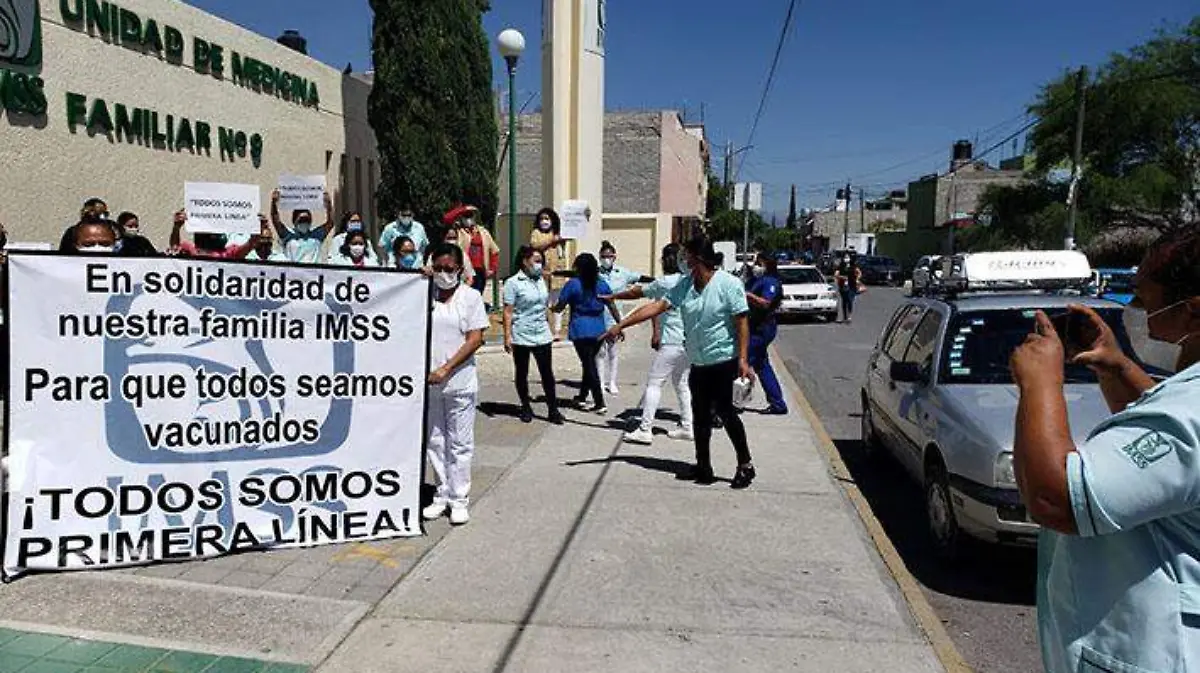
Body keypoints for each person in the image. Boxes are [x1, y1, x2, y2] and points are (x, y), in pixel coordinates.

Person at [1010, 227, 1200, 673]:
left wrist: (1039, 383)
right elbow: (1170, 457)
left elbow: (1056, 499)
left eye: (1146, 301)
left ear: (1192, 311)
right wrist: (1118, 368)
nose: (1137, 312)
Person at [603, 236, 757, 489]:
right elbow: (656, 307)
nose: (684, 261)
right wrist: (621, 324)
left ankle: (745, 464)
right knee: (700, 418)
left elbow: (741, 322)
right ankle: (703, 465)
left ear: (700, 259)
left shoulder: (729, 284)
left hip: (723, 360)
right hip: (698, 362)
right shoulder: (685, 286)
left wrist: (743, 358)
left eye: (688, 257)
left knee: (727, 414)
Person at [421, 242, 490, 526]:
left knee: (460, 443)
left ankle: (459, 499)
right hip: (430, 382)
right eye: (437, 268)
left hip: (459, 382)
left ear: (460, 269)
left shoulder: (470, 297)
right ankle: (442, 493)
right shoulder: (425, 295)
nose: (443, 273)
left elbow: (476, 338)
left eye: (448, 269)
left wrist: (446, 368)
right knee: (435, 441)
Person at [605, 243, 694, 445]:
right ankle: (687, 425)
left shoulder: (663, 283)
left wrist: (614, 296)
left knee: (654, 383)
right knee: (681, 384)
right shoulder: (688, 281)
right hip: (687, 342)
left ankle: (645, 428)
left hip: (671, 340)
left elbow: (638, 293)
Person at [503, 245, 565, 425]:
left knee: (547, 373)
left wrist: (552, 326)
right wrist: (507, 336)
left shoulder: (540, 280)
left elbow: (544, 305)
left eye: (541, 261)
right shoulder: (513, 283)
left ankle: (553, 410)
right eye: (536, 261)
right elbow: (508, 311)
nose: (540, 265)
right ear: (525, 261)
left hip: (542, 333)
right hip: (522, 332)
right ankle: (525, 407)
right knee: (522, 372)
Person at [553, 253, 621, 415]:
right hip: (598, 328)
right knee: (589, 362)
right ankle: (582, 396)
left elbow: (560, 305)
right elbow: (611, 305)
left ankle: (599, 401)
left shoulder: (573, 285)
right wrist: (619, 324)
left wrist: (551, 309)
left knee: (589, 364)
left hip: (580, 328)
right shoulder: (601, 284)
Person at [745, 251, 788, 415]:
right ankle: (777, 403)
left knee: (742, 362)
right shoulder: (756, 280)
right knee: (762, 365)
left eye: (759, 263)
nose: (756, 266)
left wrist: (747, 296)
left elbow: (766, 303)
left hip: (761, 328)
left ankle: (734, 400)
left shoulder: (771, 282)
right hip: (754, 326)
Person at [597, 241, 641, 395]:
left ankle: (612, 382)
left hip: (615, 317)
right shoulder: (596, 273)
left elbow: (639, 278)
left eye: (609, 256)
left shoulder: (623, 273)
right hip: (599, 316)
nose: (606, 259)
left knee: (613, 351)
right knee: (600, 352)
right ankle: (601, 383)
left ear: (614, 257)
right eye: (603, 256)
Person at [445, 205, 500, 295]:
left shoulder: (483, 232)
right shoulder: (459, 230)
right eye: (465, 216)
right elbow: (447, 218)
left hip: (480, 270)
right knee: (464, 293)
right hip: (465, 269)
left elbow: (495, 251)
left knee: (477, 294)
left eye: (470, 216)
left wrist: (492, 268)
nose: (468, 218)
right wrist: (463, 209)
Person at [530, 208, 567, 339]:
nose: (544, 221)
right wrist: (552, 241)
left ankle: (557, 330)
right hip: (542, 273)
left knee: (556, 302)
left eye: (547, 218)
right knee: (543, 302)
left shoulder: (559, 234)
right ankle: (545, 328)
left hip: (557, 274)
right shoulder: (536, 233)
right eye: (542, 219)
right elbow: (535, 245)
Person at [270, 189, 333, 264]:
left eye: (307, 220)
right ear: (294, 221)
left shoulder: (316, 235)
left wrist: (329, 205)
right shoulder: (288, 235)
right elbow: (276, 221)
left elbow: (330, 223)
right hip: (294, 273)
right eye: (301, 220)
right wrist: (274, 203)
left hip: (314, 273)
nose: (304, 222)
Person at [169, 210, 255, 259]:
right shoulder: (190, 249)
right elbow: (175, 248)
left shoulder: (229, 253)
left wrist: (258, 228)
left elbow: (251, 244)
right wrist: (176, 227)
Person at [833, 253, 862, 323]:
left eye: (847, 257)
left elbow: (859, 273)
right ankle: (844, 317)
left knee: (850, 300)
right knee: (844, 301)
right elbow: (836, 274)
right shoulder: (841, 266)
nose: (846, 259)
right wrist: (842, 277)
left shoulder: (853, 265)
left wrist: (857, 279)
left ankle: (849, 316)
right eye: (845, 257)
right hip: (843, 286)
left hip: (852, 285)